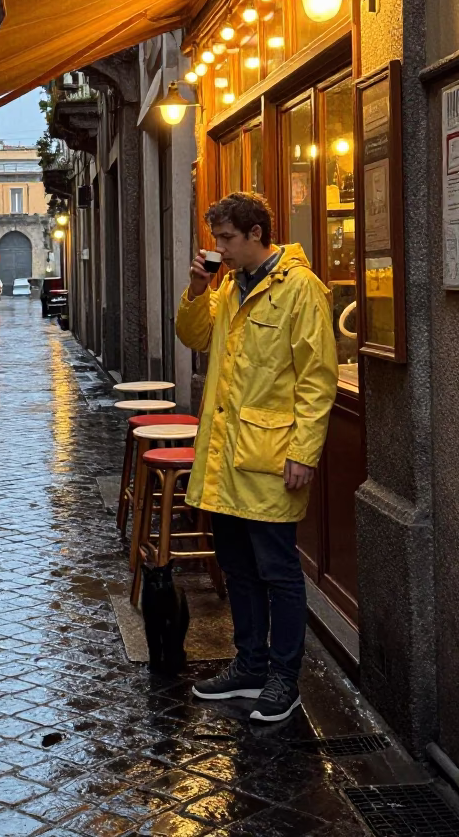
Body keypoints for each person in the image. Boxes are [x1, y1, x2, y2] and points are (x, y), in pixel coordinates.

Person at [176, 192, 337, 723]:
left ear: (255, 235)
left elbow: (316, 379)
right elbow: (194, 335)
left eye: (226, 239)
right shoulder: (229, 288)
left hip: (271, 456)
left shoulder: (300, 290)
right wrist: (198, 291)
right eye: (216, 238)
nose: (218, 247)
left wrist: (304, 453)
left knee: (279, 571)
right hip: (225, 456)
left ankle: (283, 679)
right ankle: (249, 663)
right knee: (238, 568)